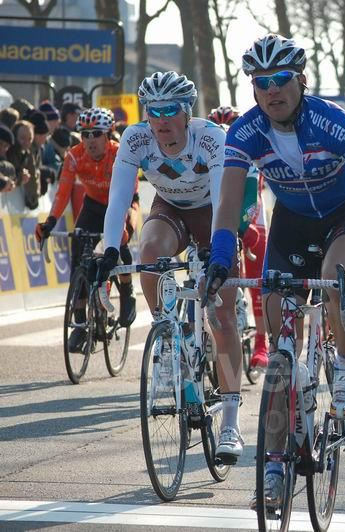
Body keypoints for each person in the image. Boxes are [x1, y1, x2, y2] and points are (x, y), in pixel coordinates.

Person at [204, 34, 345, 508]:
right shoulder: (245, 132)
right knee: (281, 352)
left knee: (336, 281)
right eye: (261, 82)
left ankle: (343, 366)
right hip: (292, 224)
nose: (271, 90)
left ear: (302, 81)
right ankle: (274, 467)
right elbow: (228, 207)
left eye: (281, 80)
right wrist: (218, 260)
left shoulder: (333, 123)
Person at [97, 71, 246, 465]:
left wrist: (217, 255)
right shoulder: (136, 137)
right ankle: (167, 335)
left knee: (224, 316)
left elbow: (222, 200)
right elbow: (118, 199)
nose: (161, 120)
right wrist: (111, 250)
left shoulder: (212, 137)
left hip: (215, 212)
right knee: (149, 250)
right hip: (170, 210)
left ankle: (230, 420)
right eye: (153, 111)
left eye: (170, 110)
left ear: (186, 112)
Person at [35, 108, 138, 350]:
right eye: (85, 134)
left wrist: (121, 223)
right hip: (93, 206)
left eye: (96, 134)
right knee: (79, 251)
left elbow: (128, 190)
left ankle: (127, 292)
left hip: (122, 202)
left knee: (120, 244)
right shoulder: (74, 156)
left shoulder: (121, 153)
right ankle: (80, 323)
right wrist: (50, 221)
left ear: (108, 135)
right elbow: (62, 192)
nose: (90, 140)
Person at [207, 105, 271, 371]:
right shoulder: (207, 150)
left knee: (257, 277)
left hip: (250, 216)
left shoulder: (250, 149)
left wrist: (243, 229)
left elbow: (250, 198)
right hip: (220, 217)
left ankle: (261, 342)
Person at [0, 124, 17, 193]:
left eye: (6, 146)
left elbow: (12, 171)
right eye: (0, 143)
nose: (2, 148)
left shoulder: (4, 160)